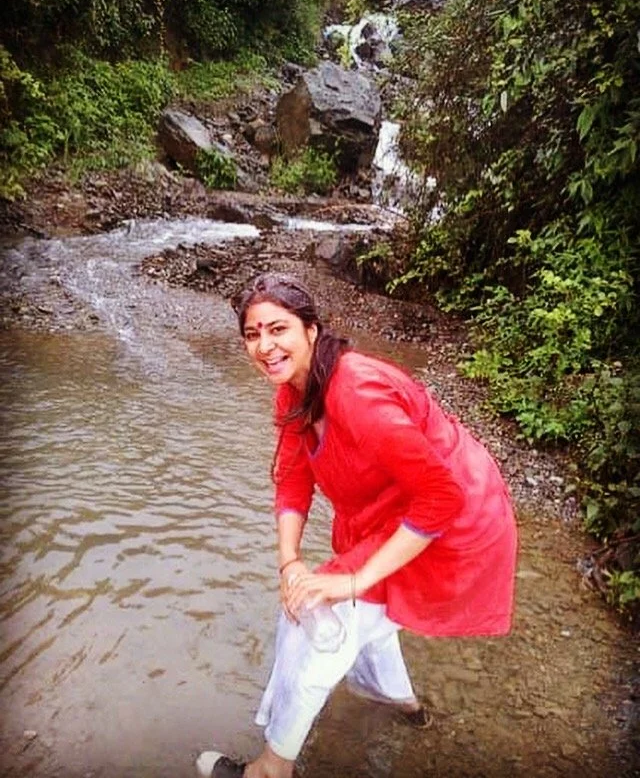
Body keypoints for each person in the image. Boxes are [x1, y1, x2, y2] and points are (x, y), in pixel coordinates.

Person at [197, 272, 518, 778]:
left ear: (311, 330)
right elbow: (293, 475)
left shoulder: (357, 394)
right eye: (252, 334)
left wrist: (355, 579)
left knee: (317, 622)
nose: (265, 346)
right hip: (399, 507)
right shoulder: (296, 389)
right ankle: (404, 704)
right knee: (352, 610)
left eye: (277, 329)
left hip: (452, 518)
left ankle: (270, 769)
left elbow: (441, 496)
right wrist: (289, 561)